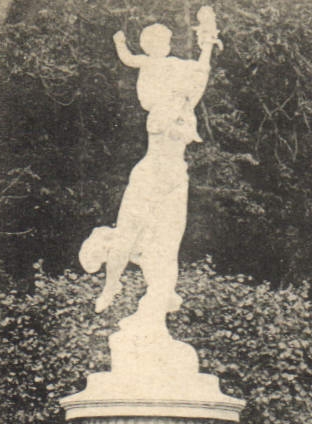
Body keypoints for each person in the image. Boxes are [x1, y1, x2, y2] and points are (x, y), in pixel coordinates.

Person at [81, 9, 220, 327]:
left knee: (167, 248)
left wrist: (208, 41)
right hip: (150, 176)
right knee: (126, 237)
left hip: (174, 180)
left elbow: (200, 74)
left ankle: (161, 297)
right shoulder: (158, 110)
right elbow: (143, 67)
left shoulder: (185, 106)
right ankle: (111, 285)